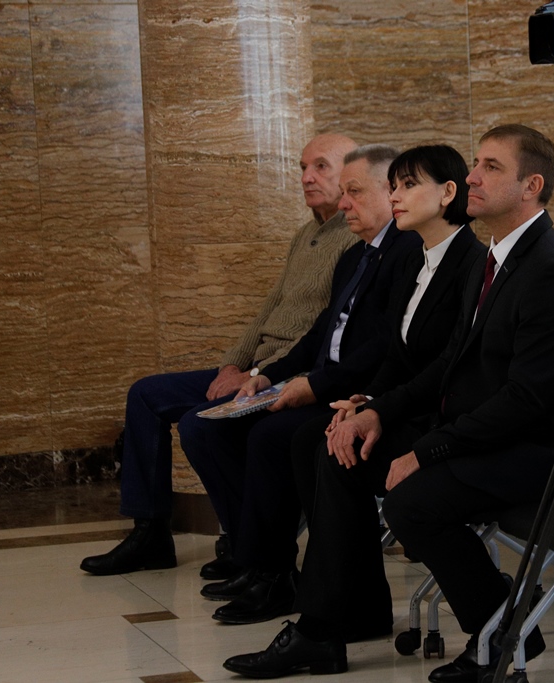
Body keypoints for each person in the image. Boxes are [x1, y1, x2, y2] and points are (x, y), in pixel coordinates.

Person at [219, 124, 554, 681]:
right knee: (339, 452)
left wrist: (426, 450)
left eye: (491, 167)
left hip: (540, 450)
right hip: (487, 432)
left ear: (531, 186)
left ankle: (501, 633)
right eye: (475, 163)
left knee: (412, 501)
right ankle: (323, 630)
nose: (472, 176)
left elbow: (526, 401)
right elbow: (448, 364)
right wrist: (377, 411)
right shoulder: (497, 259)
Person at [206, 143, 484, 628]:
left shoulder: (468, 261)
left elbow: (445, 364)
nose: (396, 196)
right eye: (393, 186)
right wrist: (364, 401)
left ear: (447, 193)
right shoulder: (416, 258)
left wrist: (375, 408)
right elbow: (395, 352)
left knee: (324, 447)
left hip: (441, 418)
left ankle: (326, 617)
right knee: (314, 440)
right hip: (401, 401)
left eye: (406, 185)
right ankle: (344, 603)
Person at [79, 133, 359, 577]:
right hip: (258, 366)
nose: (307, 177)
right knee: (146, 395)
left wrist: (259, 372)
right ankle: (150, 533)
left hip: (290, 374)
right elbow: (270, 308)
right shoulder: (305, 234)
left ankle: (245, 544)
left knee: (202, 425)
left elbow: (323, 333)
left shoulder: (355, 238)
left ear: (351, 174)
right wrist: (233, 363)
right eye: (303, 167)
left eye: (321, 166)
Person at [175, 144, 421, 625]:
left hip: (358, 392)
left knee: (273, 436)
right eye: (343, 193)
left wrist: (312, 387)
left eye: (354, 192)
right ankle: (256, 561)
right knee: (213, 426)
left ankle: (273, 576)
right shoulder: (356, 256)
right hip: (321, 380)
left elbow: (381, 349)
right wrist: (265, 375)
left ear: (388, 191)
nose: (343, 204)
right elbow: (318, 335)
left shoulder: (407, 253)